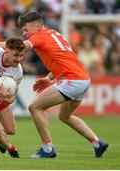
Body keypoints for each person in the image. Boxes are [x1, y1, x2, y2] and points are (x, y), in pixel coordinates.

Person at [17, 11, 109, 158]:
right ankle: (98, 143)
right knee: (65, 116)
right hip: (83, 79)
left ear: (37, 26)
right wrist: (48, 79)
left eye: (26, 29)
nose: (24, 32)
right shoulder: (54, 34)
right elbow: (63, 60)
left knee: (35, 107)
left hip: (72, 80)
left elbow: (20, 46)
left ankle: (47, 149)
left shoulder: (40, 36)